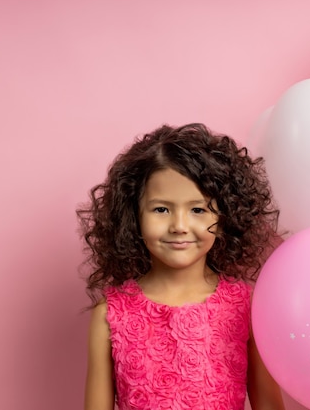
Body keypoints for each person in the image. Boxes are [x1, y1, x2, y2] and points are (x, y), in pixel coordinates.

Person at [77, 123, 285, 410]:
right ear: (133, 216)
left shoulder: (246, 308)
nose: (179, 226)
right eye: (161, 209)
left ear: (225, 218)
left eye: (198, 210)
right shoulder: (110, 316)